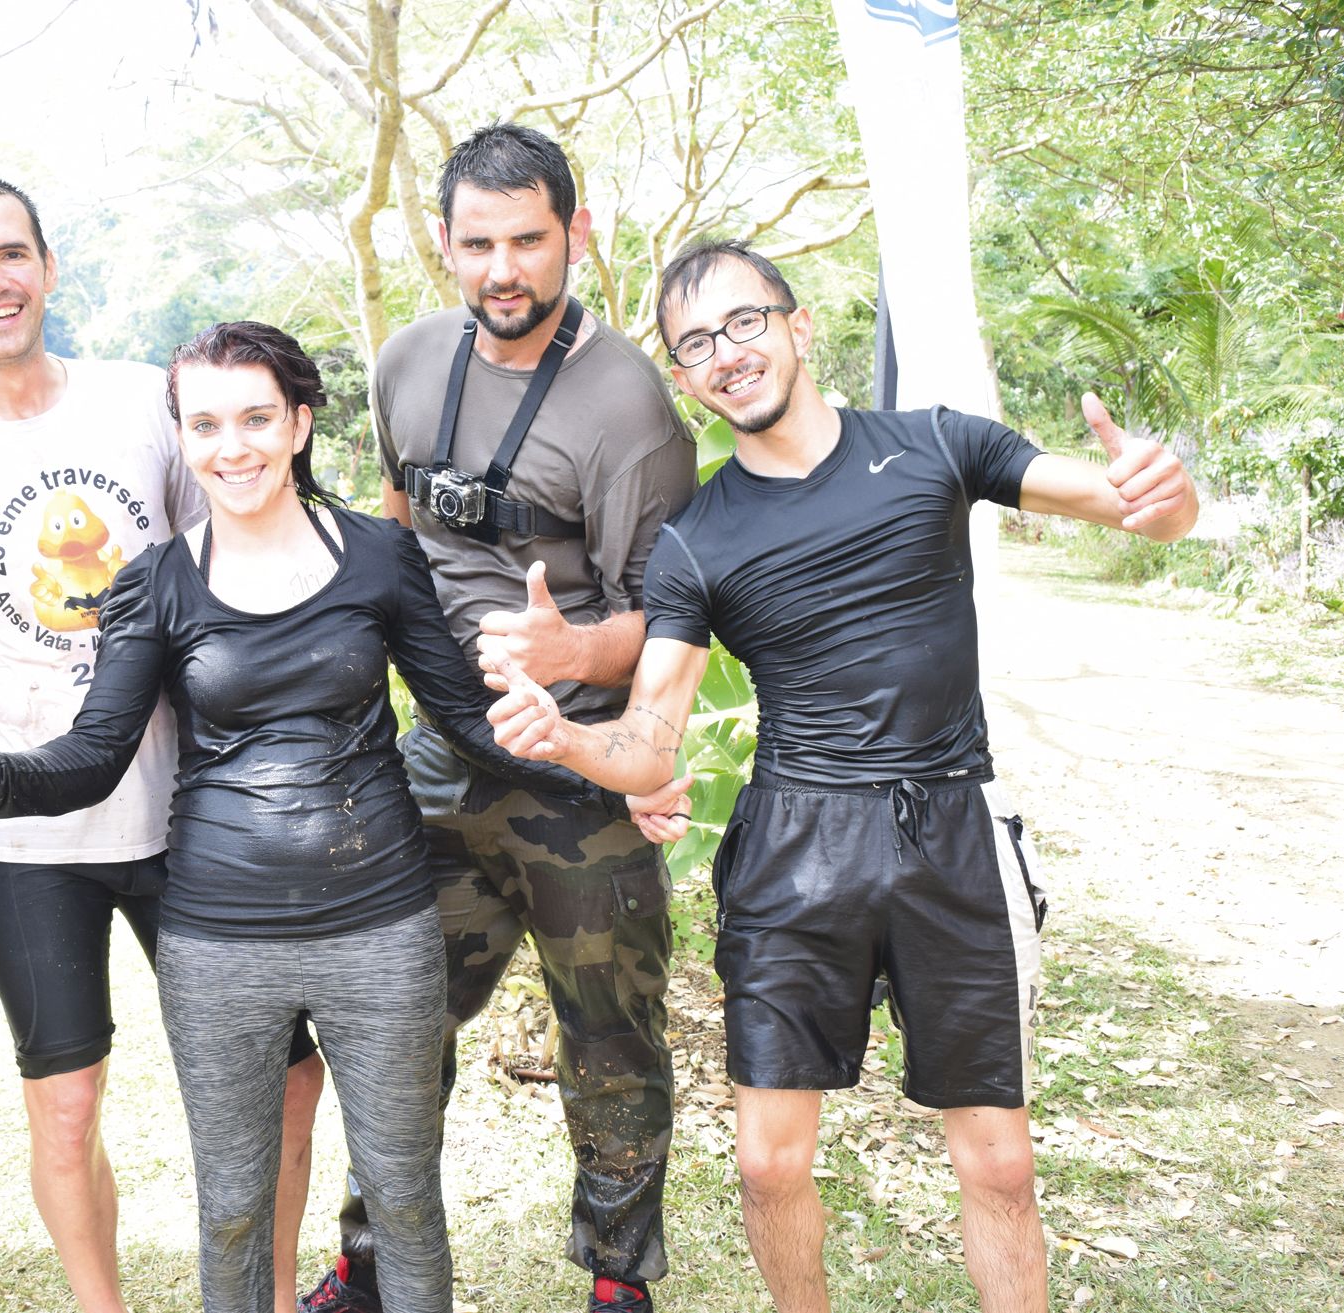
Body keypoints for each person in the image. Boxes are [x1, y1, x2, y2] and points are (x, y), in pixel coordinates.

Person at [487, 237, 1200, 1313]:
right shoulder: (697, 538)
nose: (725, 353)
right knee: (770, 1161)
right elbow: (651, 737)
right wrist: (568, 739)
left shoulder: (937, 446)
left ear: (797, 323)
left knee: (999, 1161)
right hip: (793, 843)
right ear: (682, 379)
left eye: (743, 322)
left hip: (951, 825)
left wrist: (1162, 496)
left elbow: (1129, 505)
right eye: (694, 343)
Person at [0, 321, 627, 1313]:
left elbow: (463, 720)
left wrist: (612, 774)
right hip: (218, 941)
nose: (231, 445)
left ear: (297, 422)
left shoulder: (380, 556)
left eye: (255, 417)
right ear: (182, 436)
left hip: (379, 927)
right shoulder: (154, 584)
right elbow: (92, 757)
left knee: (405, 1197)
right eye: (204, 424)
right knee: (232, 1210)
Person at [0, 176, 324, 1313]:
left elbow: (246, 563)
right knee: (64, 1100)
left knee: (285, 1080)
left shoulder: (142, 406)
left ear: (48, 266)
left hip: (202, 811)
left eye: (11, 252)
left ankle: (267, 1289)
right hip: (29, 840)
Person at [302, 124, 697, 1313]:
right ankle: (373, 1262)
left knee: (609, 1039)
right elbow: (392, 523)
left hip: (583, 774)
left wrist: (573, 648)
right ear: (443, 244)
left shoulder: (627, 398)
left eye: (528, 239)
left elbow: (672, 613)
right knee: (391, 1025)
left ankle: (618, 1279)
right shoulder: (407, 362)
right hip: (437, 762)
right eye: (478, 243)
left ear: (574, 233)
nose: (503, 269)